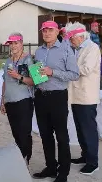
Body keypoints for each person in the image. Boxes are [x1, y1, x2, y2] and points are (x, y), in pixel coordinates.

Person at [33, 21, 79, 182]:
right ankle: (51, 167)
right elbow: (37, 74)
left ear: (57, 31)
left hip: (58, 97)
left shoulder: (66, 49)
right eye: (44, 30)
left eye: (50, 30)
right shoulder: (38, 51)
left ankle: (63, 172)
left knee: (61, 136)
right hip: (40, 96)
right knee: (45, 135)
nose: (46, 33)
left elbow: (74, 74)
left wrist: (53, 72)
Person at [64, 22, 100, 175]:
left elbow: (85, 69)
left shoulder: (92, 48)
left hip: (87, 96)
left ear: (79, 37)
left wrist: (66, 69)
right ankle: (85, 156)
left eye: (71, 38)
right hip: (76, 96)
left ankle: (93, 162)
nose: (70, 41)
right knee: (80, 129)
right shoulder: (77, 48)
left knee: (88, 129)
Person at [0, 32, 35, 165]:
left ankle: (26, 159)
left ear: (21, 43)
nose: (13, 46)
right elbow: (5, 82)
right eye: (11, 43)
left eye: (16, 43)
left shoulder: (30, 59)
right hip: (10, 101)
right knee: (15, 132)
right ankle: (20, 157)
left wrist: (18, 76)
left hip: (24, 100)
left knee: (24, 132)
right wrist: (3, 100)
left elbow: (35, 81)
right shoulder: (8, 61)